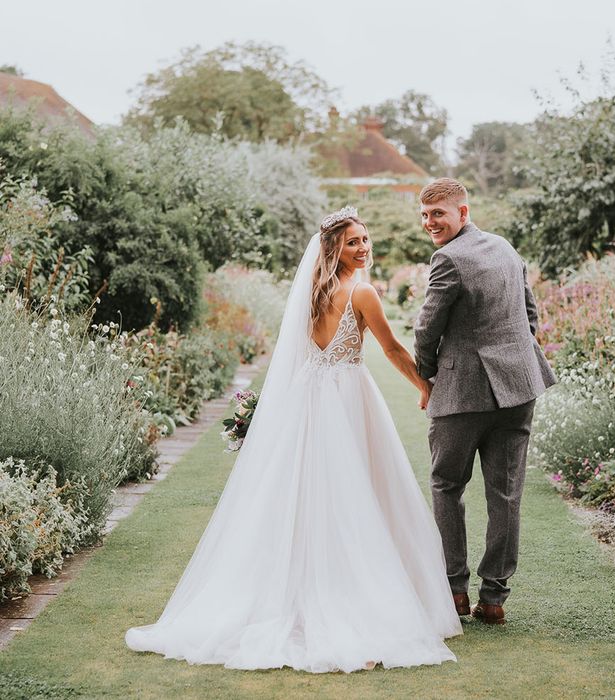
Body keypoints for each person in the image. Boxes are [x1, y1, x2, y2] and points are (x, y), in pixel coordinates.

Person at [125, 206, 462, 673]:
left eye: (365, 239)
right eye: (353, 242)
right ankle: (347, 591)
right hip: (346, 394)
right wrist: (424, 385)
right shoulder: (363, 292)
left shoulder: (310, 290)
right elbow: (392, 349)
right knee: (354, 489)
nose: (363, 248)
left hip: (306, 396)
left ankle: (294, 587)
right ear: (334, 249)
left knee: (303, 490)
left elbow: (295, 352)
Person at [414, 179, 557, 626]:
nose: (429, 223)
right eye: (424, 215)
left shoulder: (447, 259)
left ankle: (455, 592)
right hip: (519, 387)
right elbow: (530, 314)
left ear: (462, 211)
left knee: (446, 485)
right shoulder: (505, 247)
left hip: (463, 394)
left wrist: (427, 375)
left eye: (438, 214)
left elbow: (425, 330)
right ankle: (493, 600)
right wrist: (515, 359)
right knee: (506, 493)